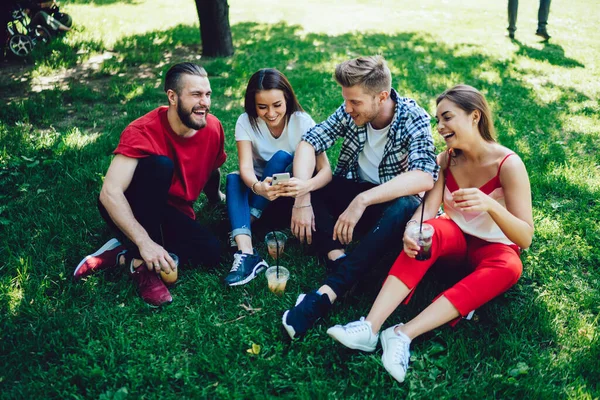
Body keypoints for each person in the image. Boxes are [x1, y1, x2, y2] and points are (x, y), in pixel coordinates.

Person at [326, 84, 534, 383]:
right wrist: (412, 230)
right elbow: (427, 208)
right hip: (454, 241)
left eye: (447, 118)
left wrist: (490, 205)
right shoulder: (446, 160)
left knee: (511, 267)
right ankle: (370, 327)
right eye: (437, 120)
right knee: (428, 231)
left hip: (494, 248)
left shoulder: (508, 164)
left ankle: (402, 334)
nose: (440, 127)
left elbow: (524, 237)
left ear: (475, 116)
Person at [281, 55, 439, 339]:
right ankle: (338, 257)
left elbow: (425, 176)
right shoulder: (350, 111)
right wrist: (302, 197)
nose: (348, 108)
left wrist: (363, 201)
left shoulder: (413, 118)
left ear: (381, 96)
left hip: (386, 209)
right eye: (346, 100)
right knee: (305, 176)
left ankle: (326, 294)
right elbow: (309, 142)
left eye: (355, 102)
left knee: (407, 203)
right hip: (354, 194)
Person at [73, 62, 226, 306]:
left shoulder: (214, 127)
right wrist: (145, 243)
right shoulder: (142, 131)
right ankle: (141, 264)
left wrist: (215, 196)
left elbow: (212, 167)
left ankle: (120, 253)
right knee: (160, 166)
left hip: (170, 212)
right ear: (172, 97)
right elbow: (110, 193)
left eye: (207, 94)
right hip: (134, 203)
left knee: (212, 252)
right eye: (196, 95)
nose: (205, 102)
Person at [224, 68, 331, 286]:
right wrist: (257, 187)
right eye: (262, 107)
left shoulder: (302, 122)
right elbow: (245, 167)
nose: (270, 113)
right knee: (233, 179)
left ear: (287, 100)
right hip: (260, 191)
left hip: (287, 198)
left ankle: (247, 221)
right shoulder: (246, 121)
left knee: (281, 157)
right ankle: (247, 254)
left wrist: (304, 188)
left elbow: (326, 171)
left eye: (277, 105)